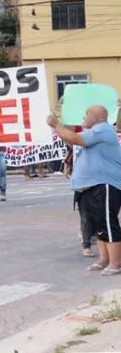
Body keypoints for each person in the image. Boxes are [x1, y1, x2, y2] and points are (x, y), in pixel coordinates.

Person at [50, 106, 121, 274]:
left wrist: (55, 124)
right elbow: (71, 139)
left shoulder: (103, 130)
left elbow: (75, 139)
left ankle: (115, 263)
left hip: (104, 184)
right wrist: (58, 127)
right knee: (97, 225)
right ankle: (104, 259)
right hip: (90, 186)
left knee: (107, 224)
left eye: (87, 114)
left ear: (96, 118)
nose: (84, 117)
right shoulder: (93, 132)